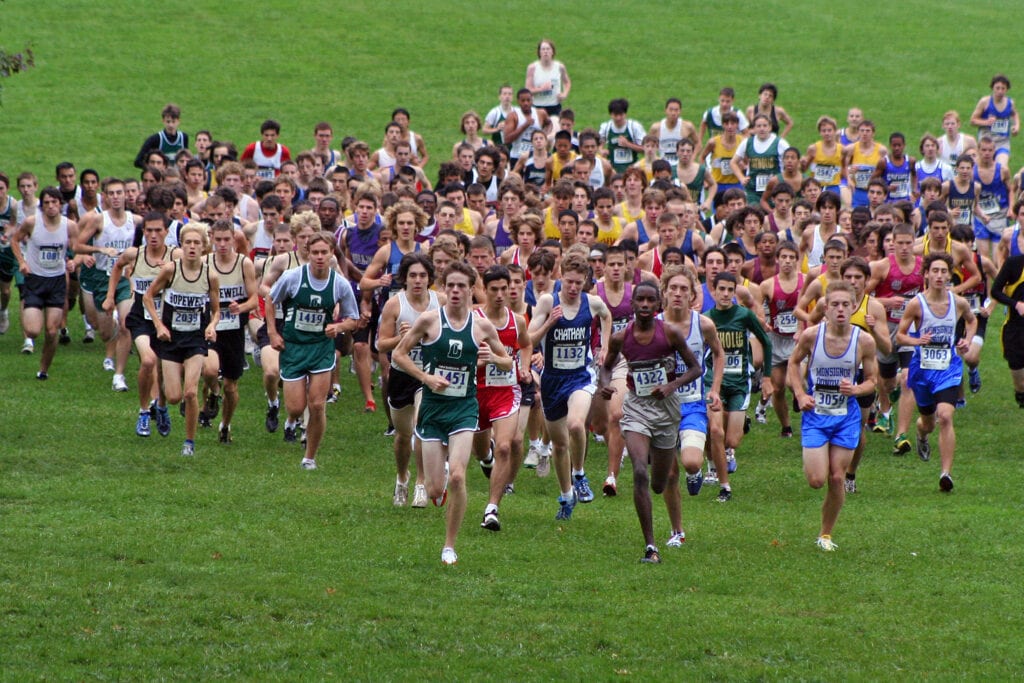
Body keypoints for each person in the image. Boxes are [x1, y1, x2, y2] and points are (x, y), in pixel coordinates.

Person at [392, 260, 512, 566]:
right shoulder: (429, 321)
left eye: (462, 286)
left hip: (464, 408)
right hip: (433, 409)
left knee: (459, 476)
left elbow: (508, 362)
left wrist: (493, 359)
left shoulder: (481, 326)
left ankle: (449, 546)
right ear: (443, 290)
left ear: (472, 290)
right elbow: (398, 354)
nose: (456, 291)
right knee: (434, 490)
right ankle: (438, 482)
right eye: (451, 286)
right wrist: (425, 378)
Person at [599, 281, 703, 563]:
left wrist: (672, 386)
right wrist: (605, 384)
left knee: (659, 483)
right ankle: (650, 546)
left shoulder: (669, 333)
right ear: (632, 305)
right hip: (637, 408)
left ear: (658, 305)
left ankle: (651, 458)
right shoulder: (622, 337)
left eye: (649, 301)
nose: (644, 305)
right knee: (639, 473)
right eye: (639, 300)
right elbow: (607, 366)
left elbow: (696, 368)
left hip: (666, 409)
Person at [788, 281, 879, 551]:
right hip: (816, 415)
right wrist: (801, 394)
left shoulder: (864, 340)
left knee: (837, 477)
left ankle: (825, 535)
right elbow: (793, 363)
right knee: (817, 481)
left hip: (846, 417)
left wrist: (857, 388)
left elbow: (873, 380)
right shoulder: (812, 336)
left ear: (854, 308)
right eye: (834, 305)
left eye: (845, 305)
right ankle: (823, 530)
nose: (840, 309)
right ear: (825, 308)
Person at [529, 253, 612, 519]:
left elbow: (607, 316)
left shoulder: (592, 302)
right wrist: (550, 323)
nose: (574, 288)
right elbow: (528, 338)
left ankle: (580, 474)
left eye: (579, 282)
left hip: (580, 376)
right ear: (560, 277)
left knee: (576, 424)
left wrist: (605, 347)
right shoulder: (547, 301)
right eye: (569, 282)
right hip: (553, 378)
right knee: (559, 443)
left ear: (586, 281)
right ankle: (566, 496)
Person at [268, 231, 360, 469]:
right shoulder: (293, 277)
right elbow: (270, 300)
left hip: (321, 348)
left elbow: (353, 319)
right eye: (315, 252)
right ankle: (290, 419)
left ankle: (309, 457)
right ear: (308, 253)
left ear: (332, 254)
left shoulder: (339, 284)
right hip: (294, 347)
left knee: (317, 404)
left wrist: (338, 327)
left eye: (324, 252)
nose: (320, 257)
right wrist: (272, 333)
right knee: (296, 407)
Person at [895, 253, 976, 491]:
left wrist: (966, 341)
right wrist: (917, 340)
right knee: (927, 423)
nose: (939, 276)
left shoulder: (958, 302)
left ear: (949, 275)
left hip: (948, 369)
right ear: (927, 274)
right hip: (922, 371)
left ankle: (946, 474)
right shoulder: (916, 304)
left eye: (943, 271)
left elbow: (972, 321)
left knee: (946, 416)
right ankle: (921, 435)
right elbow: (900, 335)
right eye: (935, 271)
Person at [143, 223, 220, 457]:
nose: (192, 247)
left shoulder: (210, 275)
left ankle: (189, 442)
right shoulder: (170, 270)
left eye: (197, 243)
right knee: (175, 396)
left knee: (190, 393)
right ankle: (163, 405)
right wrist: (159, 325)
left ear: (204, 247)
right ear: (181, 246)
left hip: (195, 340)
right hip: (171, 339)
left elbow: (216, 310)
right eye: (188, 243)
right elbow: (147, 297)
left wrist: (212, 326)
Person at [377, 253, 442, 508]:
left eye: (423, 276)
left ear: (430, 278)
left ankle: (421, 484)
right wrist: (400, 339)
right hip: (401, 375)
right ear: (404, 278)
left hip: (427, 374)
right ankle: (402, 477)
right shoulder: (395, 305)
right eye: (413, 276)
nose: (418, 280)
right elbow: (381, 344)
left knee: (421, 425)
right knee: (404, 436)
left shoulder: (441, 303)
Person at [107, 212, 178, 437]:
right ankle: (144, 411)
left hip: (168, 318)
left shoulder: (176, 255)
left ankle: (162, 406)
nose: (154, 235)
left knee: (166, 371)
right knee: (148, 361)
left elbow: (196, 267)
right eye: (149, 230)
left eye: (159, 230)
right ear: (143, 232)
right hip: (141, 316)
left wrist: (173, 268)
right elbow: (117, 267)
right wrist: (110, 296)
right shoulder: (134, 254)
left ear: (167, 232)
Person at [471, 265, 531, 531]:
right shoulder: (474, 317)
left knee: (506, 446)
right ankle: (486, 458)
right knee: (481, 450)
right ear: (484, 290)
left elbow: (526, 343)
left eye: (504, 289)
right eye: (493, 289)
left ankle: (492, 509)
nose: (499, 294)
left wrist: (525, 366)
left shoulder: (517, 320)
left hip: (506, 390)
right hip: (475, 391)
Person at [705, 272, 773, 500]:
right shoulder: (706, 319)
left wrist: (767, 377)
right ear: (713, 291)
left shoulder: (744, 315)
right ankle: (718, 475)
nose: (725, 294)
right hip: (714, 383)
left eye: (729, 290)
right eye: (721, 289)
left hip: (739, 383)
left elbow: (765, 341)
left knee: (731, 440)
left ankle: (737, 430)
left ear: (735, 292)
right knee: (715, 431)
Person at [75, 177, 140, 391]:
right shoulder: (99, 220)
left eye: (119, 192)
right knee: (103, 332)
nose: (115, 197)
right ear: (105, 197)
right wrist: (100, 250)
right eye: (111, 193)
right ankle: (110, 345)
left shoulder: (135, 220)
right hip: (102, 279)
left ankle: (119, 376)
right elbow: (78, 245)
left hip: (124, 280)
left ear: (126, 195)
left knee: (125, 324)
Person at [9, 187, 78, 379]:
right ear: (42, 206)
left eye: (54, 202)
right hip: (35, 280)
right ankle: (36, 350)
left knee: (51, 330)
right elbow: (14, 239)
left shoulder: (69, 225)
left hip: (56, 281)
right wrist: (22, 262)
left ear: (60, 204)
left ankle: (43, 369)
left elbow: (77, 247)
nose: (50, 206)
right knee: (32, 331)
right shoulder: (32, 223)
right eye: (46, 203)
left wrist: (74, 261)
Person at [866, 224, 924, 450]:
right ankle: (885, 409)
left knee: (908, 378)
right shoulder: (882, 267)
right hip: (885, 327)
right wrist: (887, 302)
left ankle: (901, 435)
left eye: (908, 243)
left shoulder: (922, 266)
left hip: (909, 328)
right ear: (892, 244)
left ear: (914, 242)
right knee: (888, 382)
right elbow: (863, 296)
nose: (904, 248)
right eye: (899, 243)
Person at [201, 220, 258, 443]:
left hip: (234, 330)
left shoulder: (244, 264)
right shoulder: (205, 263)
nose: (223, 244)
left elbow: (254, 299)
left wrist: (240, 307)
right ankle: (213, 394)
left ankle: (225, 425)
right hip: (210, 327)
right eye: (218, 240)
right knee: (210, 370)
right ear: (212, 239)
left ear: (234, 239)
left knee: (231, 387)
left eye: (227, 239)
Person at [756, 241, 804, 436]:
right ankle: (786, 427)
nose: (787, 261)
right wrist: (762, 322)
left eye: (791, 258)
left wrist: (806, 326)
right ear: (777, 259)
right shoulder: (767, 285)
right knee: (777, 388)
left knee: (794, 383)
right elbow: (758, 308)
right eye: (783, 257)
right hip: (776, 339)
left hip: (797, 339)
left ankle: (799, 398)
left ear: (796, 260)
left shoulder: (806, 281)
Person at [990, 249, 1024, 408]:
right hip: (1015, 330)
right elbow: (995, 291)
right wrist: (1015, 304)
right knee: (1020, 380)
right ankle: (1020, 393)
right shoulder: (1014, 263)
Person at [731, 114, 790, 205]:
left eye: (765, 126)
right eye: (758, 126)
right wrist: (741, 178)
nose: (762, 129)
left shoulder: (780, 143)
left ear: (770, 127)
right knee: (753, 214)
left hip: (775, 190)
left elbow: (790, 163)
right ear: (754, 128)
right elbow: (733, 162)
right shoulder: (747, 142)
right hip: (753, 190)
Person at [970, 74, 1019, 168]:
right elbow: (973, 120)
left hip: (1002, 142)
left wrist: (1016, 126)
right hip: (986, 141)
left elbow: (1014, 114)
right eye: (997, 88)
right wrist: (986, 122)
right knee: (984, 168)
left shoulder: (1010, 103)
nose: (1000, 91)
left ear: (1007, 89)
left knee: (1002, 168)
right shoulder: (985, 102)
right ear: (992, 88)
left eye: (1003, 88)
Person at [504, 88, 551, 170]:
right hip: (517, 156)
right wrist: (524, 126)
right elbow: (507, 139)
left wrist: (544, 134)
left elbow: (549, 123)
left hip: (536, 157)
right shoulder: (513, 116)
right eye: (523, 101)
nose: (526, 103)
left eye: (528, 100)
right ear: (518, 101)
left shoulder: (540, 113)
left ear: (532, 100)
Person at [525, 39, 571, 118]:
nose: (545, 51)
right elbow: (527, 90)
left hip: (555, 107)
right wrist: (541, 89)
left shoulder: (559, 67)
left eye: (548, 49)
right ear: (539, 52)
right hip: (538, 107)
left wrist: (564, 94)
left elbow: (567, 82)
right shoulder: (532, 68)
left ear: (552, 52)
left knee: (555, 129)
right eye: (543, 49)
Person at [599, 99, 647, 173]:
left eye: (621, 115)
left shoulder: (634, 127)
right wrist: (601, 150)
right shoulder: (605, 127)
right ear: (611, 115)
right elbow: (598, 145)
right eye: (615, 115)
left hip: (632, 171)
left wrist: (628, 144)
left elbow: (646, 149)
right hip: (613, 172)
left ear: (625, 114)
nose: (618, 118)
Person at [134, 103, 189, 169]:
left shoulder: (184, 138)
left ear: (178, 121)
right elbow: (138, 161)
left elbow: (186, 159)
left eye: (173, 122)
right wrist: (154, 171)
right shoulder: (155, 139)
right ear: (163, 121)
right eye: (168, 121)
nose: (171, 125)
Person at [649, 98, 697, 170]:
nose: (673, 113)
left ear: (680, 111)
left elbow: (698, 143)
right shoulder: (656, 128)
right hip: (663, 167)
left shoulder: (687, 127)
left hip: (682, 166)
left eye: (676, 110)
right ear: (665, 111)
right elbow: (648, 145)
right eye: (671, 110)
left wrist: (692, 158)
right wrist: (655, 159)